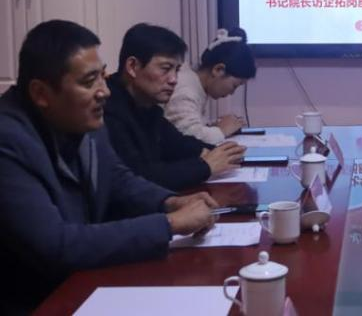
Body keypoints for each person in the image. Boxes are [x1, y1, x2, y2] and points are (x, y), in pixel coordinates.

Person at [0, 20, 218, 314]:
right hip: (38, 301)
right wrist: (169, 224)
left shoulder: (81, 117)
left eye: (103, 76)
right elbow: (57, 245)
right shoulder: (8, 140)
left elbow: (116, 178)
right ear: (41, 93)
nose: (105, 91)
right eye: (89, 81)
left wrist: (170, 201)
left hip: (86, 282)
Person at [104, 23, 246, 191]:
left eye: (176, 70)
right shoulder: (108, 109)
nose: (174, 80)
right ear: (133, 67)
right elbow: (140, 177)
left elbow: (178, 144)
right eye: (165, 69)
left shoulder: (147, 106)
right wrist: (205, 166)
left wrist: (219, 153)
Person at [165, 27, 256, 145]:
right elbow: (189, 138)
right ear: (218, 70)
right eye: (234, 86)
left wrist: (214, 126)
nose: (232, 93)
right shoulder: (185, 91)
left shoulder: (194, 83)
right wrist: (222, 130)